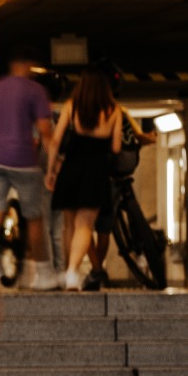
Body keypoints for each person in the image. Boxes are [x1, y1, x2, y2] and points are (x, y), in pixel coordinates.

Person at [0, 55, 57, 288]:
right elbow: (46, 133)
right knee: (34, 218)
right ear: (27, 64)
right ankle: (44, 275)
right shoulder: (35, 90)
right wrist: (52, 166)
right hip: (23, 162)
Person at [46, 66, 126, 290]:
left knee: (68, 225)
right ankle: (73, 271)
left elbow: (55, 141)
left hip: (72, 169)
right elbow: (116, 148)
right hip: (96, 172)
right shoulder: (114, 111)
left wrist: (51, 170)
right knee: (85, 226)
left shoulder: (72, 106)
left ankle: (68, 272)